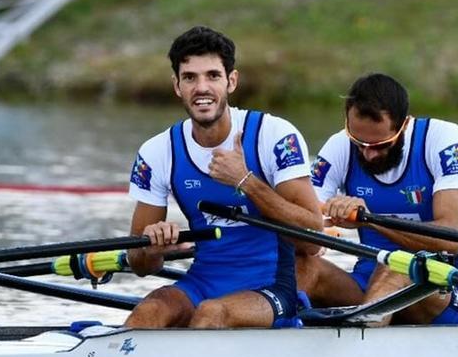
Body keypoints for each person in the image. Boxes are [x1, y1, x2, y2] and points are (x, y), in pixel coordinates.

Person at [124, 26, 323, 329]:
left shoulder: (275, 136)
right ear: (177, 85)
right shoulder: (156, 151)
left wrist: (246, 181)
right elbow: (140, 265)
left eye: (212, 76)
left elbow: (312, 237)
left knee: (210, 315)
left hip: (271, 287)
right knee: (146, 315)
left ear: (231, 81)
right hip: (203, 282)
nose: (201, 88)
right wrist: (152, 249)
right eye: (190, 77)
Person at [298, 73, 458, 325]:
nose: (368, 154)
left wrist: (370, 220)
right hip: (366, 286)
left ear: (404, 124)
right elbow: (302, 216)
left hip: (435, 290)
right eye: (359, 143)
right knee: (301, 268)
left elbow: (450, 239)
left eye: (381, 145)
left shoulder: (442, 139)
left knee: (397, 264)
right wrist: (313, 231)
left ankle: (363, 343)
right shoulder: (339, 145)